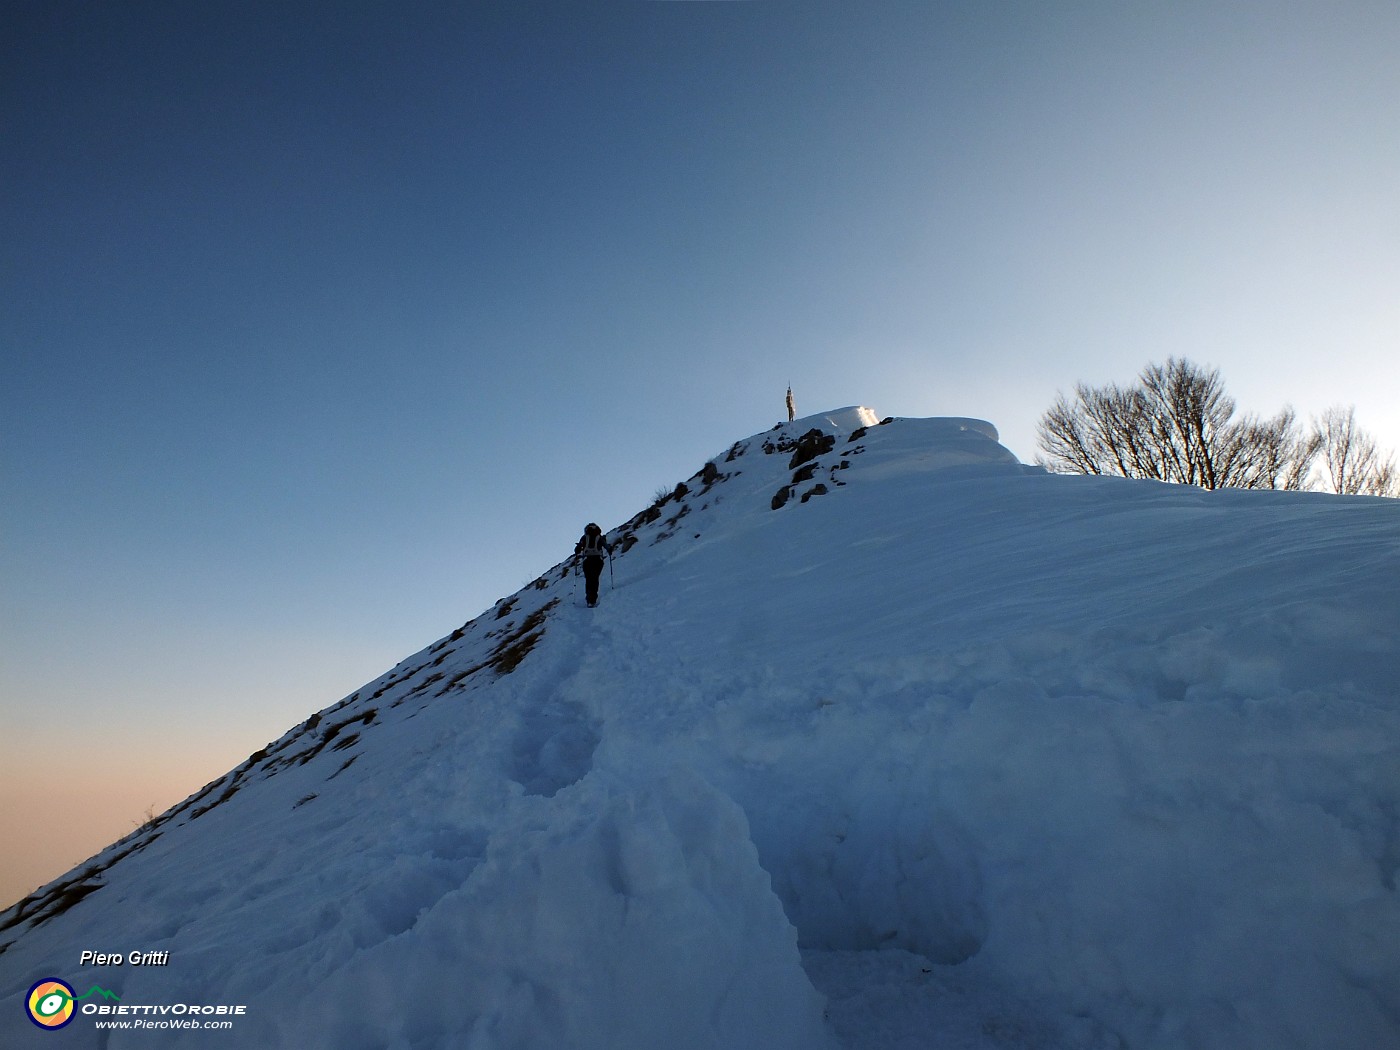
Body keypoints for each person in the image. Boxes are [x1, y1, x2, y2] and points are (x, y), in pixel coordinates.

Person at [574, 523, 612, 607]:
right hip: (598, 560)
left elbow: (578, 548)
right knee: (595, 579)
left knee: (589, 579)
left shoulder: (584, 537)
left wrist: (577, 550)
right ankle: (593, 599)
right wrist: (609, 550)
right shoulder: (600, 537)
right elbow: (606, 546)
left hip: (587, 560)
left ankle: (589, 599)